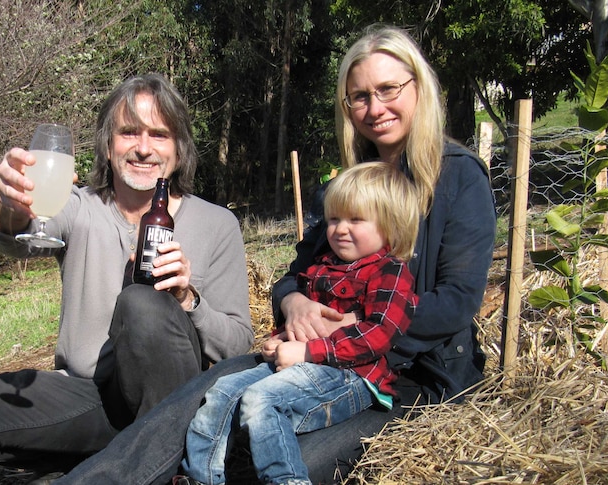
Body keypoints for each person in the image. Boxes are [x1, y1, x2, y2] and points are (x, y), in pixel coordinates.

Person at [50, 23, 496, 484]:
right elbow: (293, 276)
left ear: (418, 88)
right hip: (309, 355)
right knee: (197, 403)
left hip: (402, 377)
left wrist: (357, 325)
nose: (374, 107)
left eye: (387, 89)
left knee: (274, 456)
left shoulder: (459, 177)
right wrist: (294, 302)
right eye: (359, 96)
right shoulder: (349, 186)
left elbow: (458, 301)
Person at [0, 73, 254, 479]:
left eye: (159, 135)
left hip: (176, 404)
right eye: (129, 132)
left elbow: (238, 345)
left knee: (142, 303)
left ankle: (151, 461)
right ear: (108, 146)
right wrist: (10, 206)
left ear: (179, 151)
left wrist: (186, 300)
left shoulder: (217, 223)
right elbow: (16, 235)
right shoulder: (78, 205)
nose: (143, 148)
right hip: (90, 396)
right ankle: (116, 455)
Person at [177, 162, 420, 485]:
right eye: (334, 219)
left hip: (354, 376)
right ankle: (201, 477)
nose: (340, 229)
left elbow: (379, 335)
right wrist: (279, 339)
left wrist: (307, 351)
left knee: (262, 401)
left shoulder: (390, 272)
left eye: (356, 220)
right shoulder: (322, 267)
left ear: (390, 226)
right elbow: (303, 323)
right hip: (303, 364)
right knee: (222, 391)